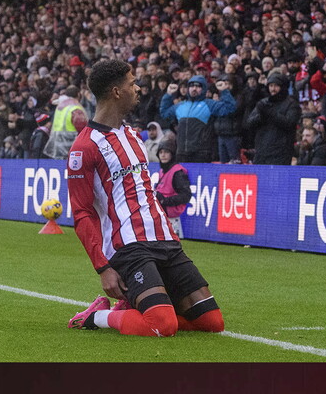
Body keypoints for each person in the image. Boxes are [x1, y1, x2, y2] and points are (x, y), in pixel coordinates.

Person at [66, 59, 224, 337]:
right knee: (161, 326)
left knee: (211, 323)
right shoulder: (84, 147)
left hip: (165, 240)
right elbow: (82, 213)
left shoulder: (134, 135)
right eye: (132, 83)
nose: (137, 88)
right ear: (116, 92)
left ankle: (136, 308)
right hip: (129, 246)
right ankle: (97, 317)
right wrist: (102, 267)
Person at [158, 74, 236, 163]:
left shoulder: (209, 104)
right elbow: (164, 114)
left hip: (201, 153)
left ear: (204, 89)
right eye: (191, 86)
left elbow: (230, 108)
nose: (194, 88)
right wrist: (168, 95)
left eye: (198, 86)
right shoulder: (181, 105)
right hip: (181, 152)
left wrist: (224, 91)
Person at [244, 72, 301, 165]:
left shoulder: (291, 104)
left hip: (281, 152)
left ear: (282, 87)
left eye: (276, 86)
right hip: (261, 151)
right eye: (271, 86)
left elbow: (289, 123)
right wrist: (261, 117)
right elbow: (249, 123)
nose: (273, 89)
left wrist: (270, 113)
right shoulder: (263, 103)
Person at [153, 136, 191, 239]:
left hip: (171, 212)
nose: (163, 155)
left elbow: (186, 196)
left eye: (166, 152)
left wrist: (165, 201)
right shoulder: (162, 171)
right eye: (161, 152)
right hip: (161, 212)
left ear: (172, 154)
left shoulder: (178, 172)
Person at [43, 85, 89, 160]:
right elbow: (83, 129)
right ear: (78, 94)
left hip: (57, 145)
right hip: (70, 146)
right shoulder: (75, 108)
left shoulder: (60, 106)